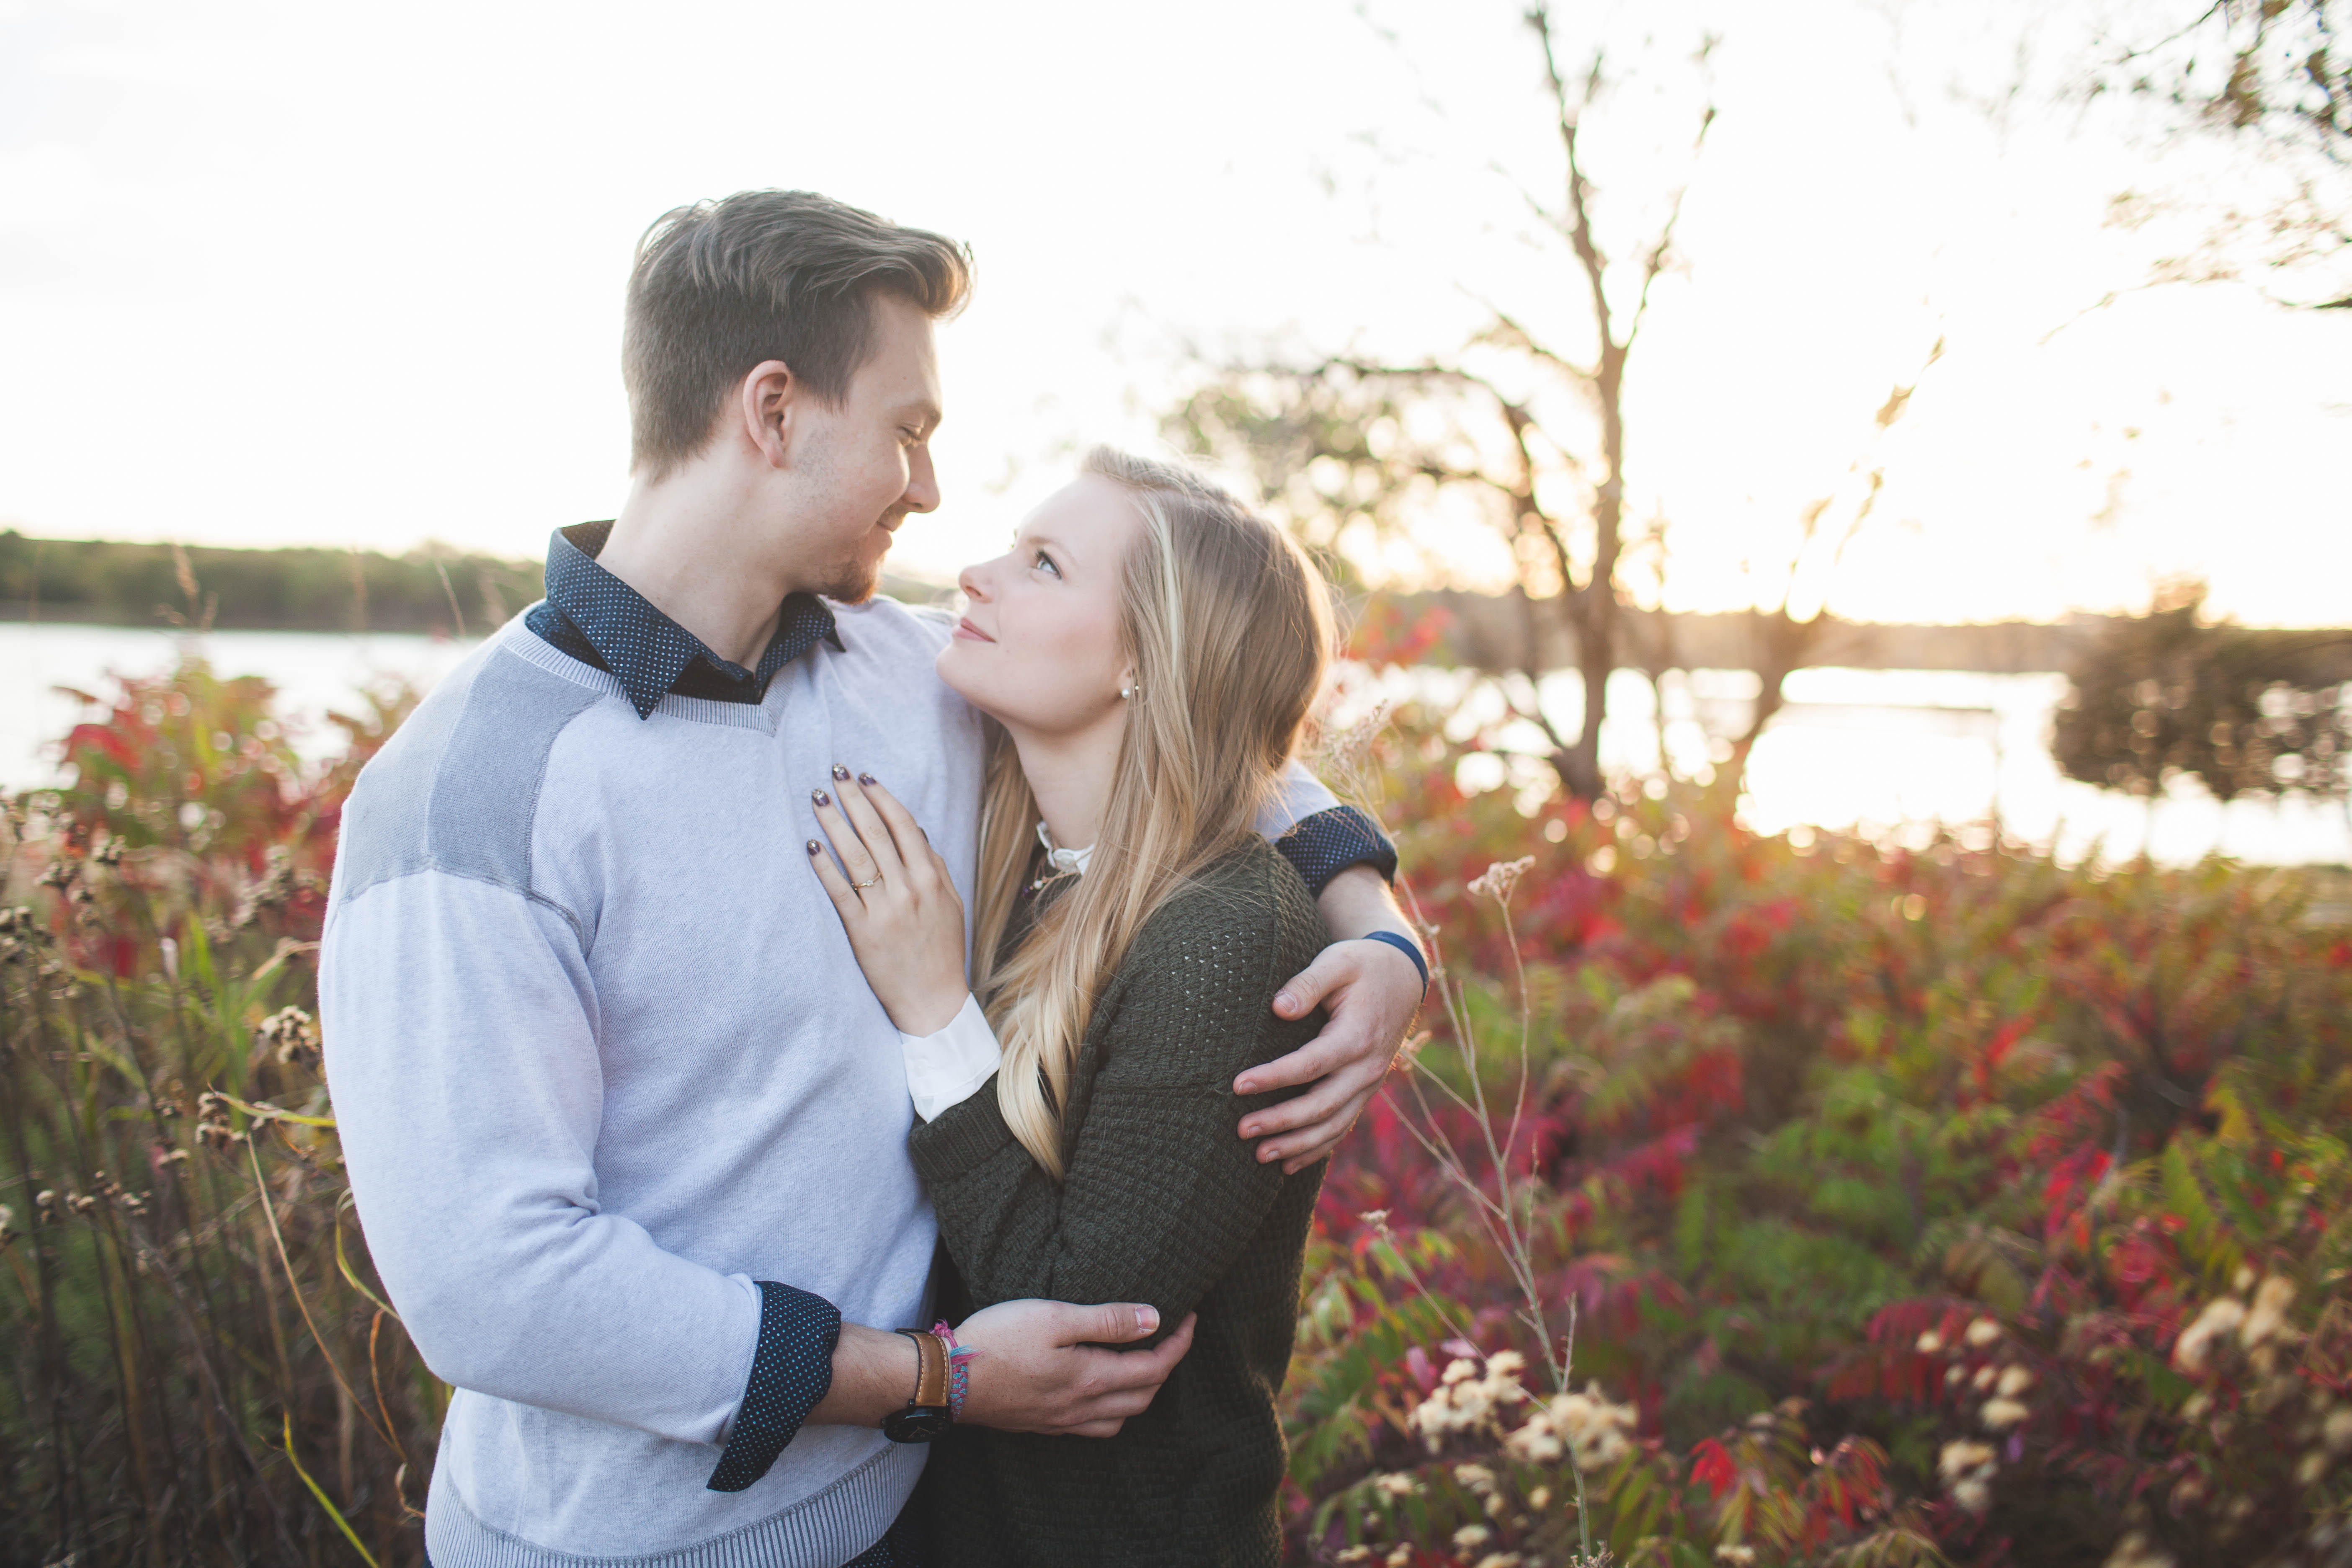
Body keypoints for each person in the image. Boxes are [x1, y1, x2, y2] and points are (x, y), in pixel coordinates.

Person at [318, 189, 1426, 1568]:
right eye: (909, 431)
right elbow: (497, 1289)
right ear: (773, 412)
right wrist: (927, 1378)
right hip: (613, 1544)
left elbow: (1191, 730)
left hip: (910, 1521)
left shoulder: (902, 672)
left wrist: (1373, 918)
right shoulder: (471, 795)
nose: (930, 488)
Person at [807, 448, 1403, 1565]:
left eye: (1041, 564)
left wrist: (936, 1010)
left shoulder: (1227, 939)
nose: (975, 574)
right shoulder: (1027, 844)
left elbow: (1072, 1337)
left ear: (1143, 658)